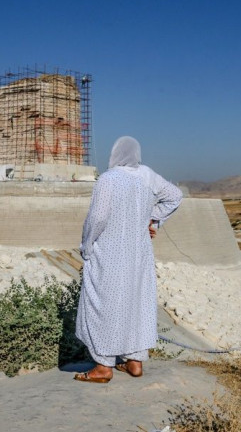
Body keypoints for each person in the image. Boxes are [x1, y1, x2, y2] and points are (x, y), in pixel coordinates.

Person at [74, 136, 183, 383]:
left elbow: (98, 217)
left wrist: (87, 245)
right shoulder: (147, 175)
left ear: (115, 154)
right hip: (139, 253)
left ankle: (103, 366)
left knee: (102, 303)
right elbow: (175, 196)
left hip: (109, 253)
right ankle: (134, 362)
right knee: (135, 302)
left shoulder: (108, 179)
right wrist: (152, 219)